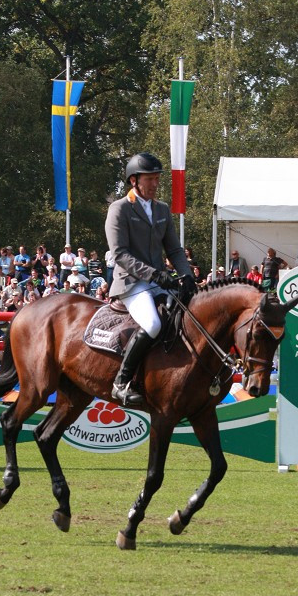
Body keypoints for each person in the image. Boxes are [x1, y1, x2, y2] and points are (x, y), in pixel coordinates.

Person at [105, 151, 195, 406]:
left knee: (186, 317)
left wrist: (187, 275)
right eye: (150, 179)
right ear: (134, 180)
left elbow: (175, 250)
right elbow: (119, 253)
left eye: (157, 179)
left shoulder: (163, 209)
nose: (156, 184)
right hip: (131, 283)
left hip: (158, 282)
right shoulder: (120, 208)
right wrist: (154, 274)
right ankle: (121, 383)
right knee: (154, 324)